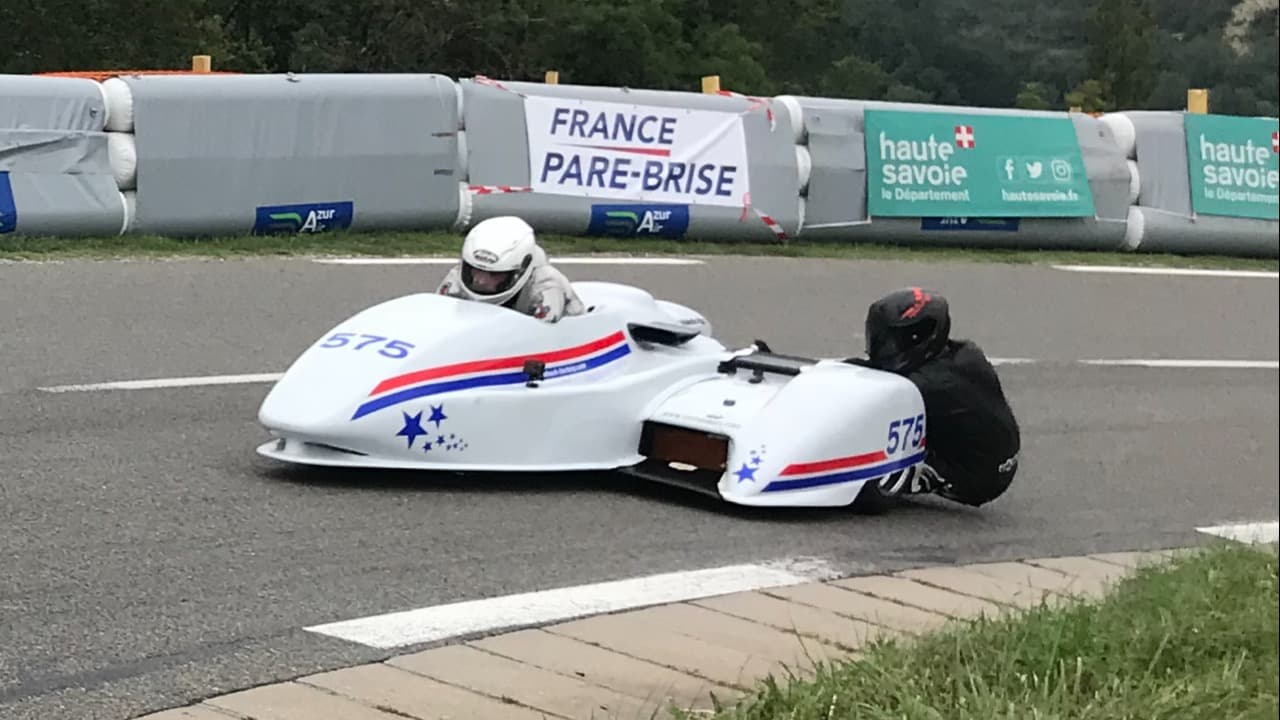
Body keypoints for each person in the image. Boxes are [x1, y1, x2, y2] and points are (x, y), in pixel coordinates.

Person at [846, 287, 1021, 507]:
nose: (884, 348)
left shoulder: (936, 382)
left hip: (980, 473)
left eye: (893, 341)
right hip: (969, 446)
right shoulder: (955, 353)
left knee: (863, 479)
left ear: (920, 337)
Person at [437, 216, 584, 323]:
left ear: (520, 271)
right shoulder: (458, 277)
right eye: (475, 270)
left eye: (493, 275)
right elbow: (437, 315)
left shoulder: (546, 288)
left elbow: (543, 340)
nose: (479, 281)